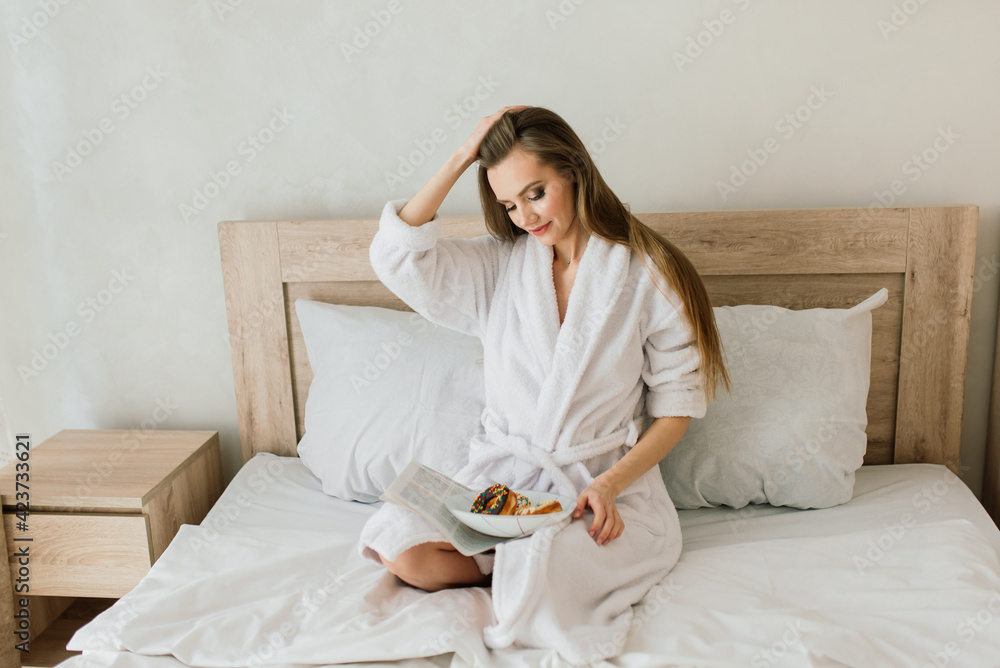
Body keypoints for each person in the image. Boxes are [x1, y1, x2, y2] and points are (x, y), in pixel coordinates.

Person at [357, 105, 730, 663]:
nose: (524, 216)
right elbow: (398, 258)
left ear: (574, 172)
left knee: (547, 576)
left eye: (535, 193)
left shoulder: (648, 271)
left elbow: (677, 407)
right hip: (507, 481)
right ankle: (507, 562)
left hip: (599, 486)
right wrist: (463, 156)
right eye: (509, 203)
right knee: (402, 549)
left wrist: (609, 485)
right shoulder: (501, 265)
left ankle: (519, 568)